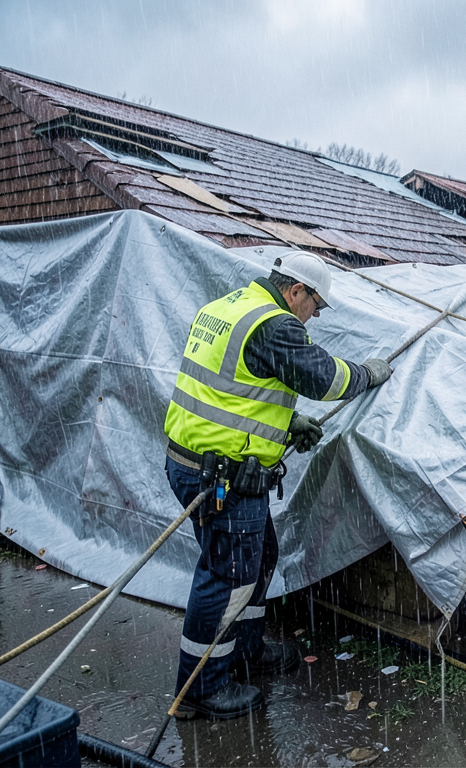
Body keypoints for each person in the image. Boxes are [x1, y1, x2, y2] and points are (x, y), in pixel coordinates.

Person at [163, 251, 393, 720]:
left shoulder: (228, 307)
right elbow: (325, 379)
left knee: (259, 558)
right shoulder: (274, 324)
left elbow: (231, 391)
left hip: (197, 462)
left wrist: (286, 425)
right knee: (228, 578)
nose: (315, 316)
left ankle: (244, 650)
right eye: (316, 305)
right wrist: (368, 374)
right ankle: (199, 688)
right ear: (296, 290)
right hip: (223, 479)